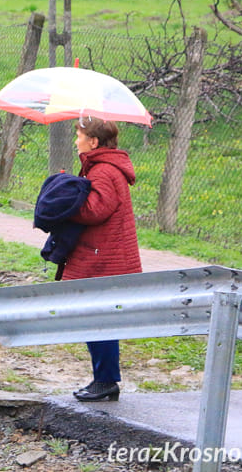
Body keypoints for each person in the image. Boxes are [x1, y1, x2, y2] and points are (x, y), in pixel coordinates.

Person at [65, 117, 142, 402]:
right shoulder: (101, 168)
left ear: (93, 142)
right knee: (97, 316)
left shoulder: (103, 171)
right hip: (105, 256)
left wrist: (67, 199)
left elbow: (94, 211)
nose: (76, 141)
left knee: (97, 318)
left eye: (79, 135)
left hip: (104, 259)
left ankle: (106, 380)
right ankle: (104, 379)